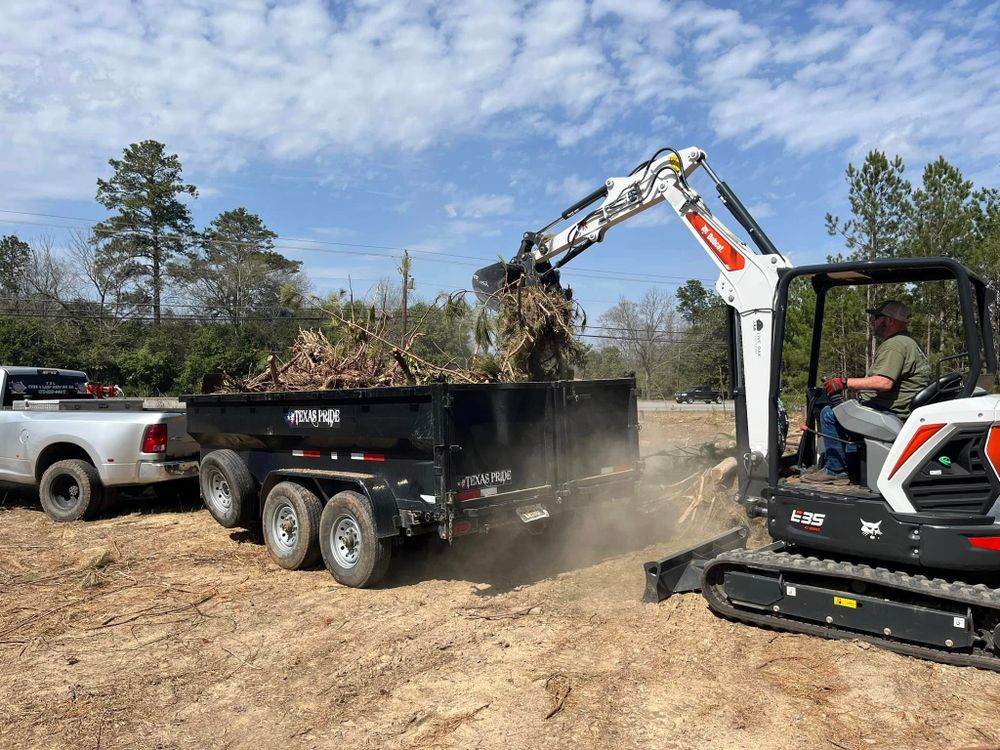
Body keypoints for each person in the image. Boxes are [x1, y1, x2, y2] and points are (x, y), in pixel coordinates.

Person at [803, 300, 931, 485]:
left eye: (876, 317)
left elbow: (884, 382)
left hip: (892, 413)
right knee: (845, 412)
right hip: (901, 411)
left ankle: (836, 470)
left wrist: (844, 383)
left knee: (829, 414)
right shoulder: (909, 342)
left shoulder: (895, 344)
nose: (872, 322)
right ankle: (851, 466)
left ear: (889, 321)